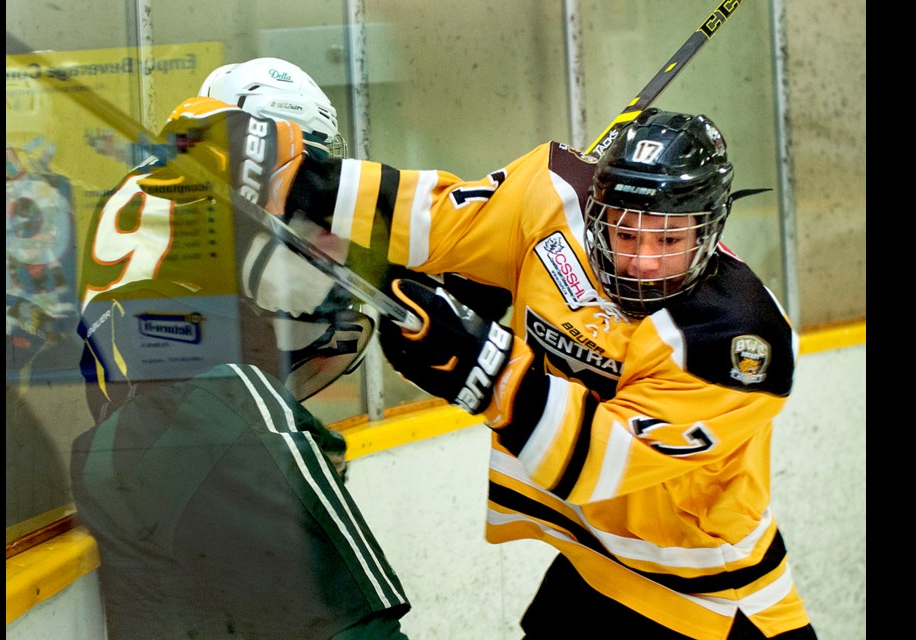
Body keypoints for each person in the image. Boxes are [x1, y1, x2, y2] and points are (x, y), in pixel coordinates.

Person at [143, 104, 818, 638]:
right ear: (598, 211)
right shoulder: (552, 201)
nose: (643, 260)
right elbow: (430, 218)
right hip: (598, 568)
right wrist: (287, 176)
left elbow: (600, 462)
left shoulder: (737, 340)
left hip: (715, 606)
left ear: (710, 228)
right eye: (626, 232)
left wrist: (475, 360)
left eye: (669, 240)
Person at [71, 58, 411, 640]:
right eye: (309, 159)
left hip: (121, 457)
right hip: (207, 421)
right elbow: (312, 289)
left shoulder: (149, 190)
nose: (313, 189)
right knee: (353, 627)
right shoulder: (221, 173)